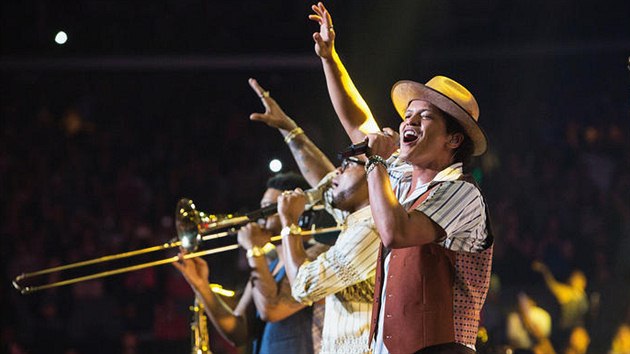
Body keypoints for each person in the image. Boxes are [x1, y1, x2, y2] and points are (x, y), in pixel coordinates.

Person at [308, 3, 493, 353]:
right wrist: (330, 58)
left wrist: (376, 158)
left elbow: (397, 233)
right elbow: (357, 119)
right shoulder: (402, 176)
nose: (408, 122)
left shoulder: (462, 194)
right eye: (408, 115)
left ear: (453, 140)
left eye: (424, 118)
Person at [248, 78, 381, 354]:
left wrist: (289, 226)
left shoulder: (370, 229)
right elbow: (325, 178)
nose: (338, 171)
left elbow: (302, 287)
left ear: (372, 178)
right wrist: (288, 128)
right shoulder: (355, 219)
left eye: (347, 165)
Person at [173, 173, 329, 354]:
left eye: (269, 209)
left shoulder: (318, 255)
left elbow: (271, 309)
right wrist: (201, 285)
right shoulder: (269, 263)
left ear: (298, 212)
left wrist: (254, 251)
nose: (259, 218)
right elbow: (238, 331)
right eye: (261, 208)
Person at [531, 261, 589, 353]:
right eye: (577, 278)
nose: (579, 281)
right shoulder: (566, 293)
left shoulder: (582, 296)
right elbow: (552, 285)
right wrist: (544, 270)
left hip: (577, 330)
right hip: (564, 330)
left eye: (581, 279)